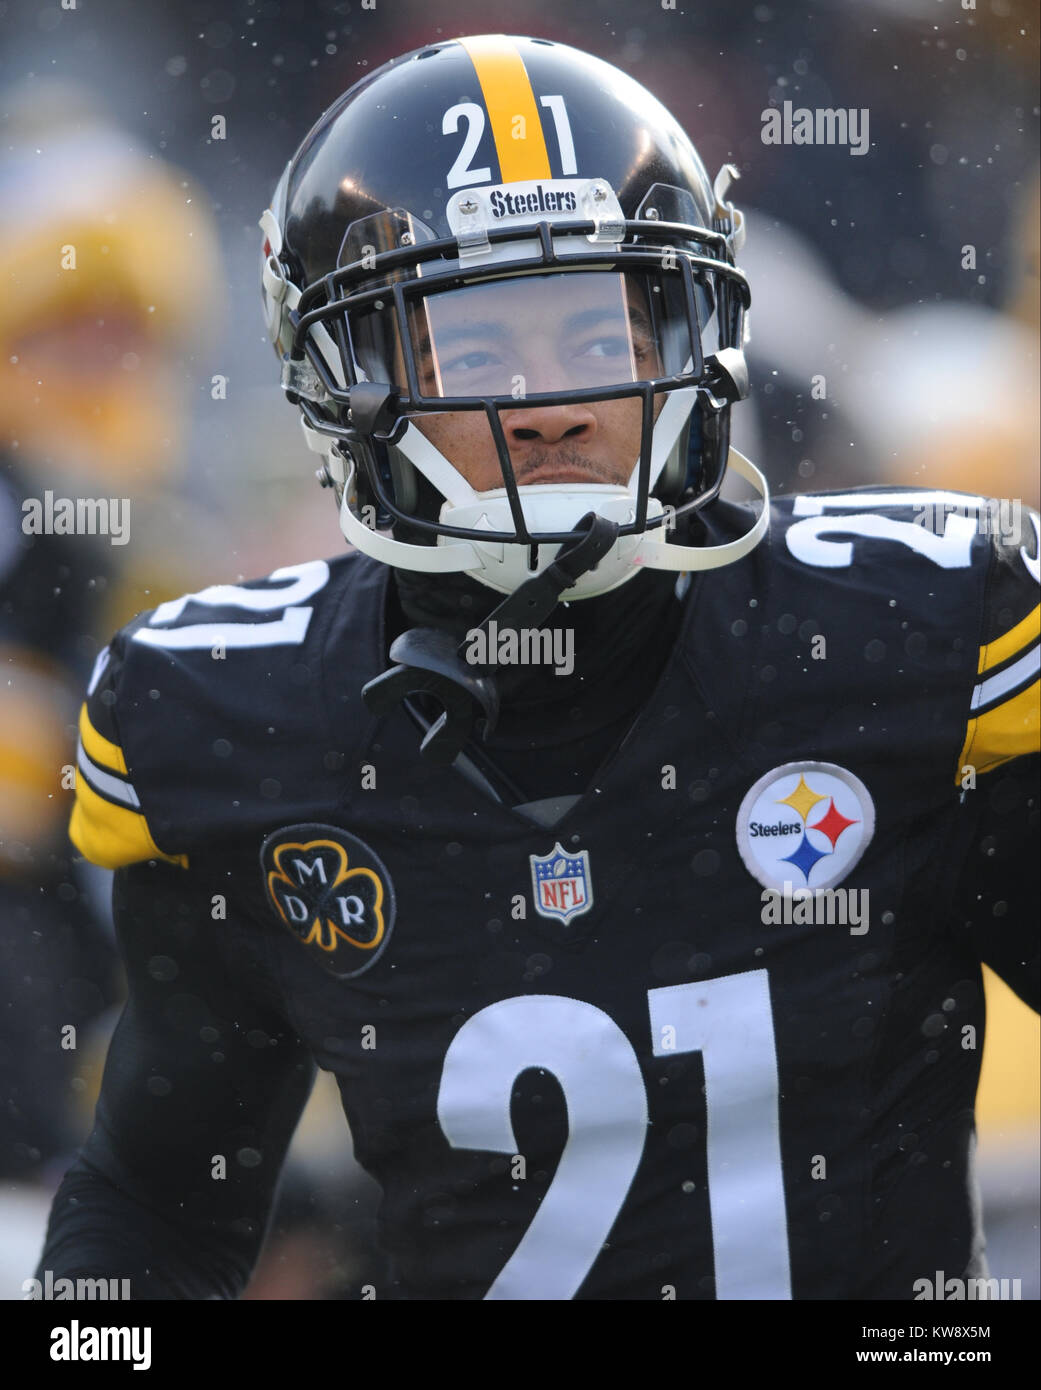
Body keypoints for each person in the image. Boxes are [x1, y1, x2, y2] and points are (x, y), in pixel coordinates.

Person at [36, 34, 1038, 1301]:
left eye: (592, 326)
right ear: (347, 379)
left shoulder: (916, 635)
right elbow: (157, 1208)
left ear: (691, 325)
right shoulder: (231, 718)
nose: (554, 401)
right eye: (481, 347)